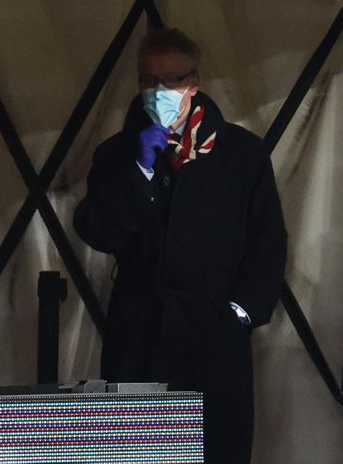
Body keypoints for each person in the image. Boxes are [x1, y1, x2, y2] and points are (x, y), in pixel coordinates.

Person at [73, 28, 287, 463]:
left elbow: (268, 240)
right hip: (139, 338)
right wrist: (140, 171)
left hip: (212, 338)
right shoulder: (117, 155)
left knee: (217, 450)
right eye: (149, 81)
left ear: (195, 82)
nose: (159, 91)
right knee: (136, 452)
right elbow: (98, 231)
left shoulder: (241, 154)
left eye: (171, 80)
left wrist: (238, 313)